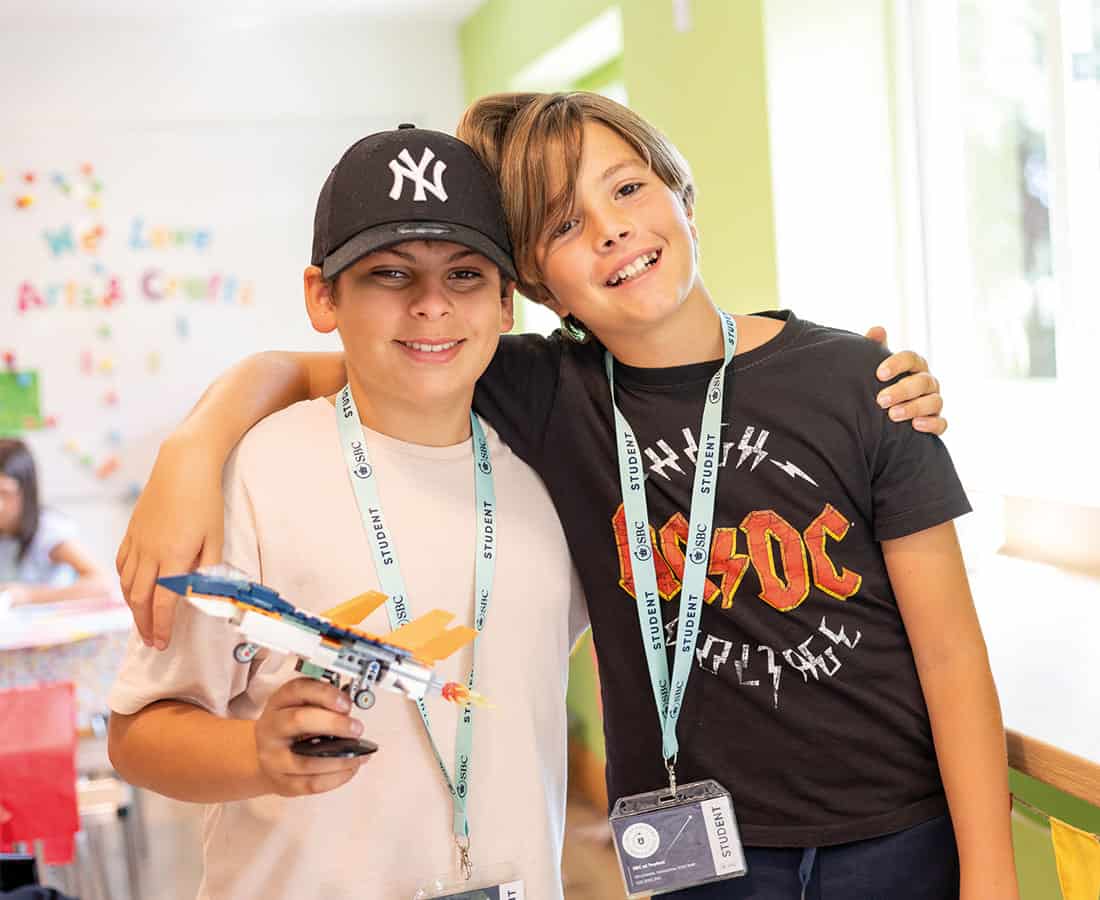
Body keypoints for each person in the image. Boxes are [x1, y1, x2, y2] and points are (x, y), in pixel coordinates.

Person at [113, 96, 991, 898]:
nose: (613, 231)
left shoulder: (841, 385)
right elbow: (329, 370)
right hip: (696, 860)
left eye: (629, 188)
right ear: (533, 285)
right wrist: (191, 449)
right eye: (568, 223)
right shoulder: (538, 402)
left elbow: (950, 655)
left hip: (884, 836)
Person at [107, 126, 586, 899]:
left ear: (506, 303)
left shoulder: (555, 471)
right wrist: (253, 754)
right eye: (389, 273)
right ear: (322, 296)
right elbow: (136, 736)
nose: (431, 304)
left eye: (464, 274)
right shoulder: (253, 471)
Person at [0, 439, 114, 611]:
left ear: (26, 492)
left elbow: (102, 584)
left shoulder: (48, 530)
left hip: (49, 628)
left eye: (5, 493)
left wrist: (28, 596)